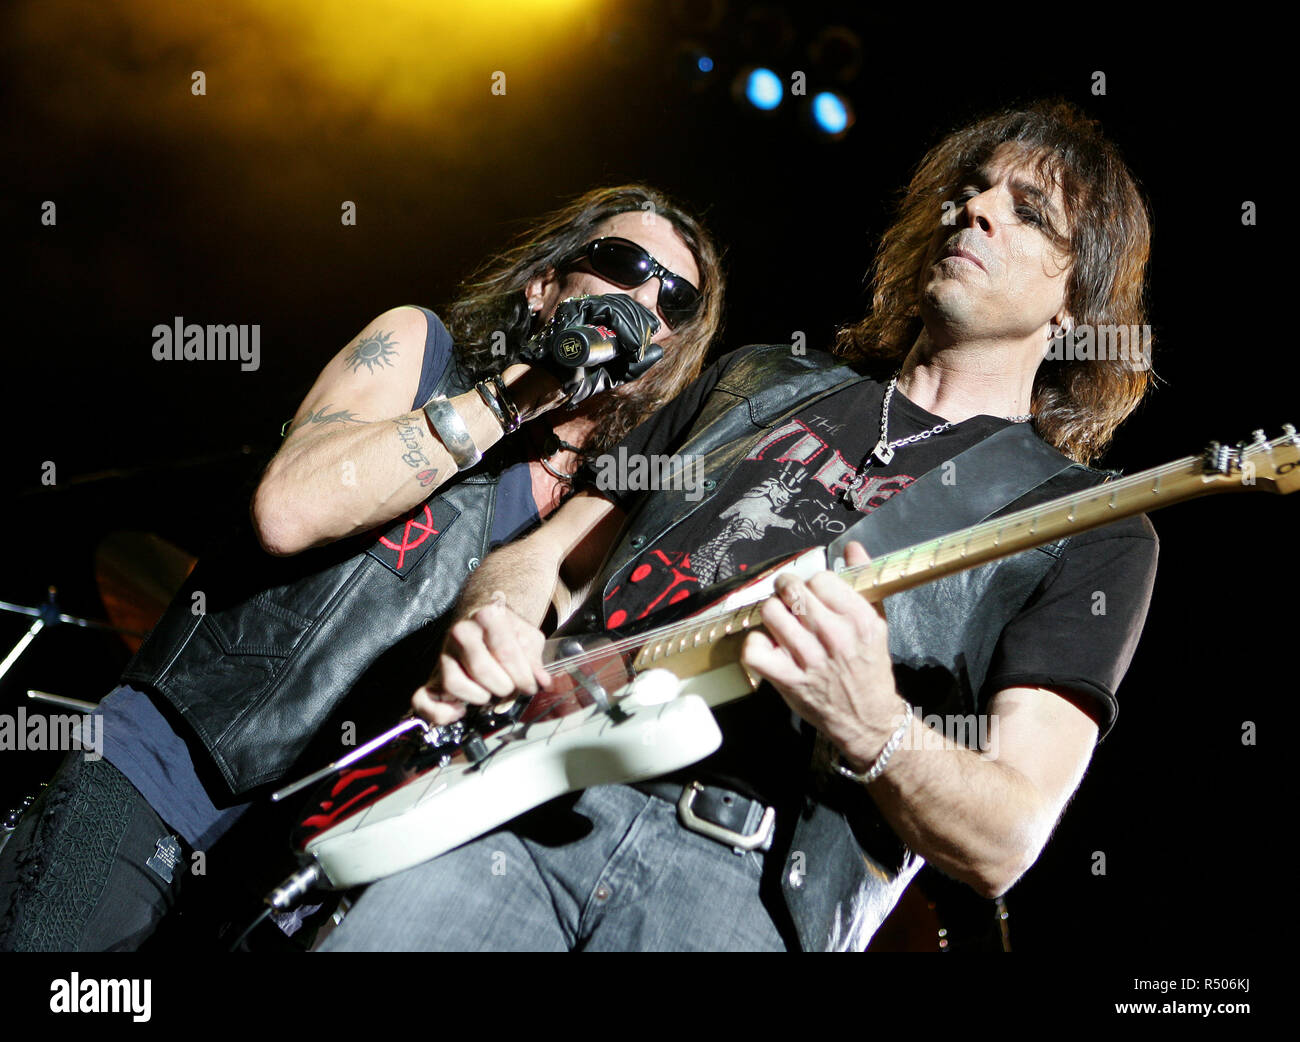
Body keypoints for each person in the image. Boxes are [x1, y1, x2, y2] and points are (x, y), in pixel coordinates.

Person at [320, 100, 1160, 952]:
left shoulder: (1082, 528)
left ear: (1076, 304)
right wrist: (493, 622)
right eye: (973, 190)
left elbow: (1007, 839)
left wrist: (875, 725)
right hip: (524, 799)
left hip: (738, 890)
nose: (975, 210)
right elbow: (544, 559)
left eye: (1028, 214)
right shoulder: (758, 379)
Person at [0, 184, 724, 951]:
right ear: (544, 285)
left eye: (674, 298)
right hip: (162, 778)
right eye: (624, 262)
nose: (645, 296)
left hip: (311, 872)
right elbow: (288, 511)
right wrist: (524, 395)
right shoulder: (421, 350)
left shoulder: (598, 515)